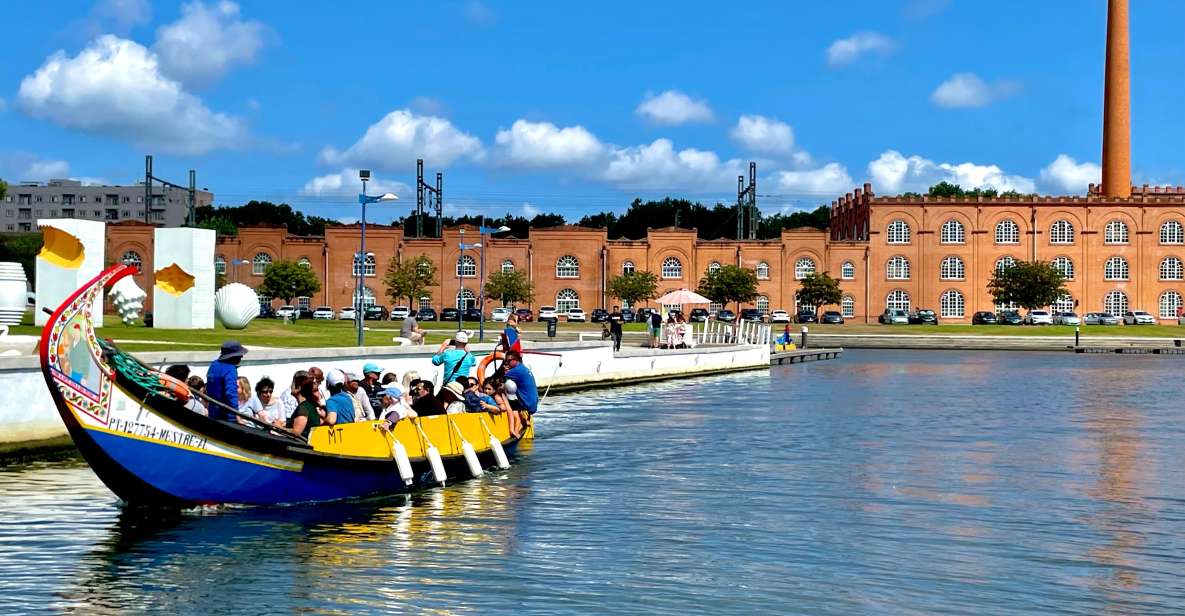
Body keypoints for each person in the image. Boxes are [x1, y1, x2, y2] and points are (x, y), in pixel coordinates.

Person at [205, 340, 247, 422]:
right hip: (227, 417)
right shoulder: (230, 369)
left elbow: (209, 388)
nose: (241, 357)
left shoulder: (213, 365)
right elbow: (231, 393)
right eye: (240, 354)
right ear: (233, 356)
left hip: (212, 412)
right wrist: (237, 414)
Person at [503, 350, 539, 414]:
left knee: (507, 384)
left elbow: (497, 380)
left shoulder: (516, 370)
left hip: (526, 406)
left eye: (509, 360)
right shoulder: (523, 368)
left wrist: (505, 372)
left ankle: (512, 414)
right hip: (533, 405)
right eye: (506, 361)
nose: (507, 363)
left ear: (516, 359)